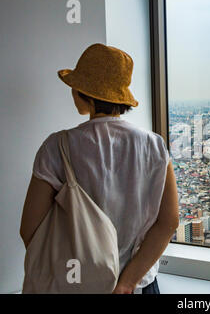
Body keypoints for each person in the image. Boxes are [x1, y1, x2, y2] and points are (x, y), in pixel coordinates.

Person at [19, 43, 179, 294]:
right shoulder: (154, 146)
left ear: (84, 93)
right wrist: (126, 284)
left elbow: (30, 229)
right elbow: (168, 222)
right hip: (139, 286)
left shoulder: (57, 147)